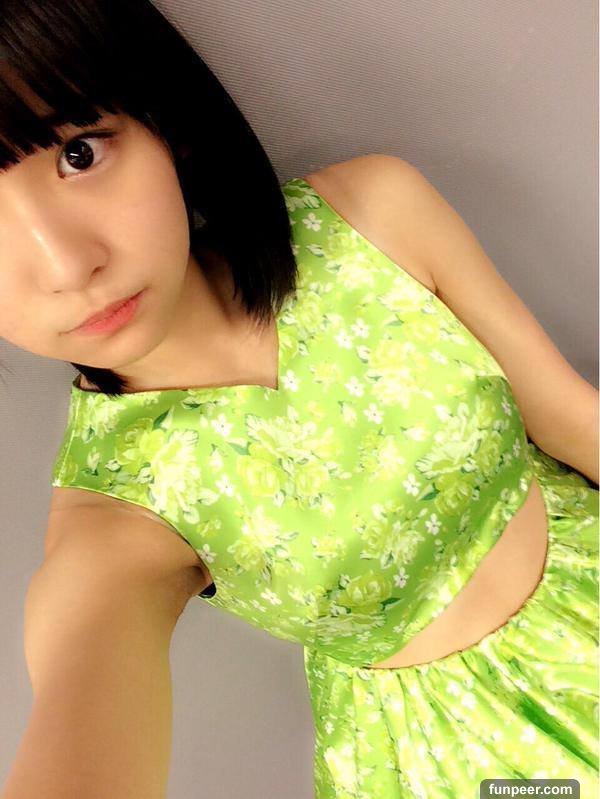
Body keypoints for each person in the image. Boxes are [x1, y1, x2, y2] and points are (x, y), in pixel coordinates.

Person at [1, 1, 598, 797]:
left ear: (161, 120)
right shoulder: (111, 518)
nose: (66, 264)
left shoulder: (372, 215)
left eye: (78, 153)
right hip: (472, 764)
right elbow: (84, 677)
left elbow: (569, 417)